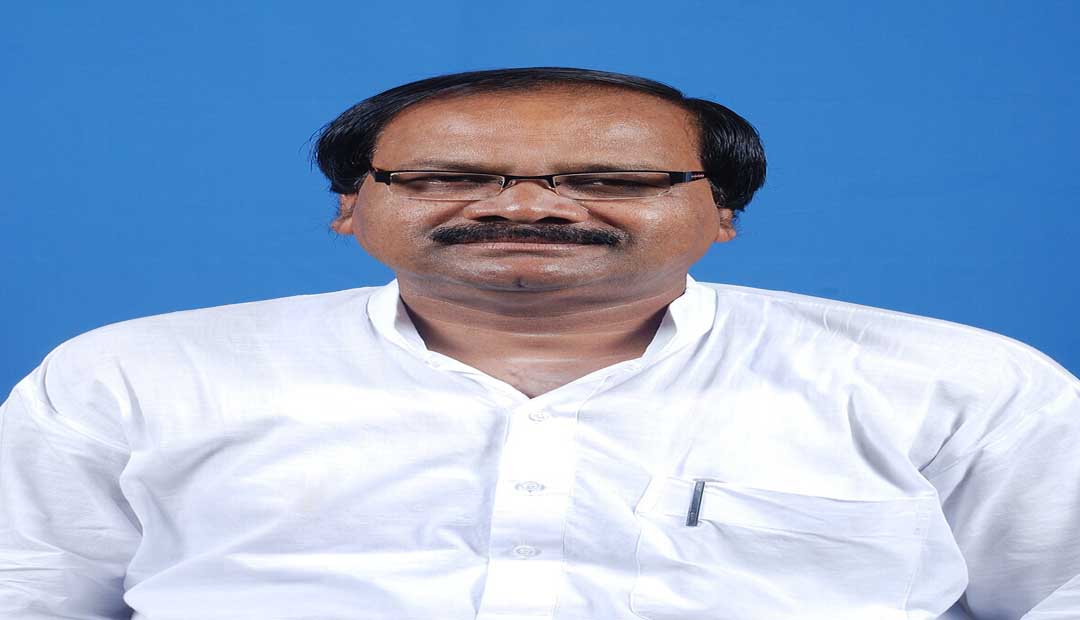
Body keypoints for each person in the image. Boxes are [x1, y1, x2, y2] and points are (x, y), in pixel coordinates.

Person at [1, 66, 1077, 620]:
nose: (525, 206)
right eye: (449, 176)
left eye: (609, 179)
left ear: (722, 212)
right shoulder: (137, 376)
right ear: (350, 206)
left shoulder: (951, 384)